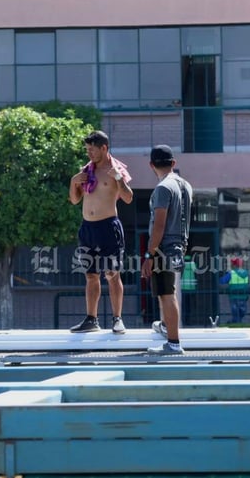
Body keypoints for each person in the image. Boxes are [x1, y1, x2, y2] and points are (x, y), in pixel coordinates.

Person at [68, 130, 133, 334]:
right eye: (87, 150)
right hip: (88, 228)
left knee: (112, 274)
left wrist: (119, 179)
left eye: (92, 150)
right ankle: (91, 319)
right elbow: (75, 200)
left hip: (108, 226)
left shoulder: (116, 169)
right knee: (90, 275)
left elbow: (128, 198)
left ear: (104, 148)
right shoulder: (86, 170)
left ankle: (117, 319)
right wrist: (73, 181)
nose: (89, 154)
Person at [143, 145, 192, 355]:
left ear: (151, 165)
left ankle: (173, 343)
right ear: (173, 163)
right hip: (179, 245)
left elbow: (159, 225)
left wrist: (149, 254)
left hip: (164, 248)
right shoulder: (185, 185)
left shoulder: (163, 188)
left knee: (166, 294)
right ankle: (166, 327)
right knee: (168, 292)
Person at [220, 257, 250, 323]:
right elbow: (248, 283)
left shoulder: (231, 273)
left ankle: (235, 322)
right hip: (243, 296)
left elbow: (222, 281)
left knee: (235, 312)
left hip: (234, 296)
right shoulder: (246, 273)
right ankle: (237, 321)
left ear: (234, 265)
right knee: (242, 310)